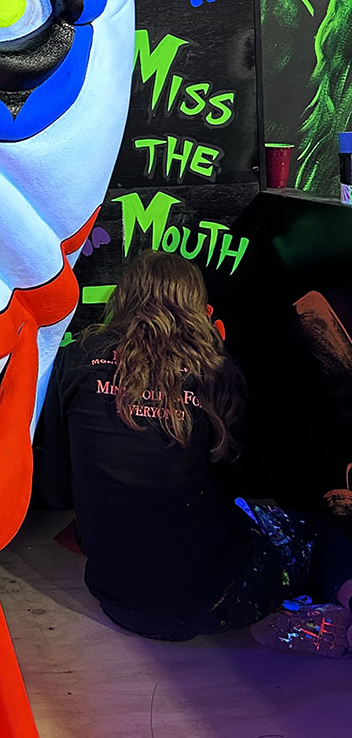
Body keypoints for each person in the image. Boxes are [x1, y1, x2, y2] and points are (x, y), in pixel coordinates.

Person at [36, 250, 352, 651]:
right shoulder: (215, 370)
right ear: (198, 306)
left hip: (116, 600)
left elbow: (55, 490)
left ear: (124, 296)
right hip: (213, 598)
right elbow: (234, 488)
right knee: (319, 529)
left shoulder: (78, 356)